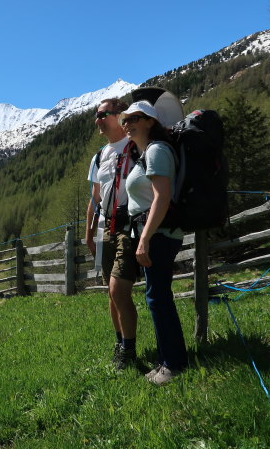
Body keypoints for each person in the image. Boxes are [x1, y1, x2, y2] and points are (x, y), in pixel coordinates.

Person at [121, 100, 188, 385]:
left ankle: (173, 364)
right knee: (156, 297)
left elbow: (162, 198)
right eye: (125, 119)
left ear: (150, 121)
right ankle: (166, 360)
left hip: (159, 235)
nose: (127, 123)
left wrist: (145, 238)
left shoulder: (158, 150)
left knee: (158, 298)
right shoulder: (147, 152)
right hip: (153, 233)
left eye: (135, 118)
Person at [86, 98, 139, 370]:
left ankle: (129, 350)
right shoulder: (99, 155)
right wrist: (89, 233)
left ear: (120, 116)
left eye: (103, 114)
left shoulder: (136, 147)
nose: (98, 120)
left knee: (119, 289)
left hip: (130, 223)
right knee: (111, 292)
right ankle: (120, 344)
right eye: (97, 115)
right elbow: (95, 198)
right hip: (106, 226)